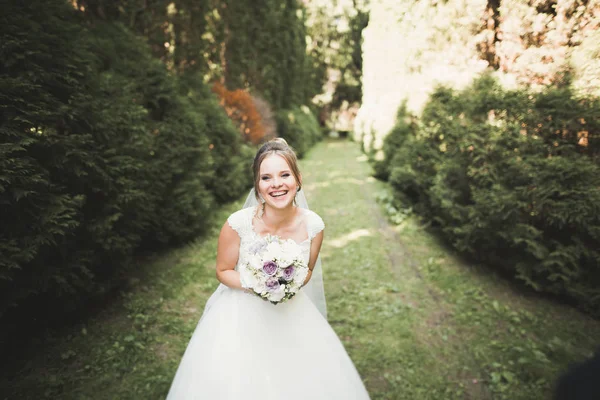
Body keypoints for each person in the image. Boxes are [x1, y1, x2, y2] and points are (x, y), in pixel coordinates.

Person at [166, 138, 370, 399]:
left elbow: (307, 270)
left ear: (297, 179)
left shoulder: (314, 226)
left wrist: (290, 282)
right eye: (266, 177)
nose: (276, 184)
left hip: (292, 311)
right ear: (258, 186)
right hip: (239, 313)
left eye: (285, 174)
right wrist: (258, 282)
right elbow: (223, 270)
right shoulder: (238, 224)